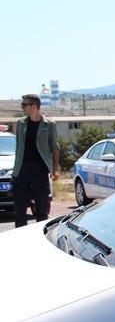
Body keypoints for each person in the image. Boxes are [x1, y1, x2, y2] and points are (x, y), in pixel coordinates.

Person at [11, 94, 59, 228]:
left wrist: (55, 169)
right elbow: (18, 147)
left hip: (40, 169)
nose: (23, 107)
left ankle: (40, 235)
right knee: (20, 208)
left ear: (34, 106)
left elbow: (55, 147)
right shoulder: (21, 124)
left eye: (25, 105)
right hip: (22, 168)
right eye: (22, 104)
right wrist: (16, 171)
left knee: (41, 208)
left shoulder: (49, 124)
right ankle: (20, 238)